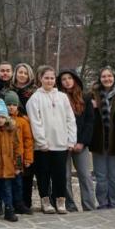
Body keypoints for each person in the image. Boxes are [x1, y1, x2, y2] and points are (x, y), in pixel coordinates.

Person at [26, 66, 76, 214]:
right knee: (44, 174)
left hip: (61, 143)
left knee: (60, 175)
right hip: (43, 146)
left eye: (52, 78)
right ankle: (45, 201)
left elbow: (70, 119)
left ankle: (60, 201)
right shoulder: (35, 98)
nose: (49, 81)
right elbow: (35, 122)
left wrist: (71, 139)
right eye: (46, 78)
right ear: (40, 79)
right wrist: (41, 141)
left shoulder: (62, 97)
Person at [58, 69, 95, 212]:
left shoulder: (85, 98)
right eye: (64, 79)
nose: (67, 81)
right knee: (65, 176)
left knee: (85, 175)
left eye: (69, 78)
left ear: (75, 80)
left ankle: (89, 206)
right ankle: (70, 206)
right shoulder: (58, 98)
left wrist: (82, 142)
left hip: (80, 143)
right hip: (62, 144)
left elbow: (89, 122)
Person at [89, 67, 115, 209]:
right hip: (99, 140)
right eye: (104, 76)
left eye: (109, 76)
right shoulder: (93, 94)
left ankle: (114, 202)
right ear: (100, 78)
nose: (107, 79)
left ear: (114, 77)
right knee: (101, 176)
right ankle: (102, 202)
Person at [4, 91, 34, 214]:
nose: (11, 107)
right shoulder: (1, 119)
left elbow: (28, 141)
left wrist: (28, 158)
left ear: (17, 106)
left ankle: (19, 204)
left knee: (18, 183)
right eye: (8, 104)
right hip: (5, 157)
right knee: (7, 184)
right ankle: (8, 205)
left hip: (18, 157)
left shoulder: (23, 121)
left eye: (13, 105)